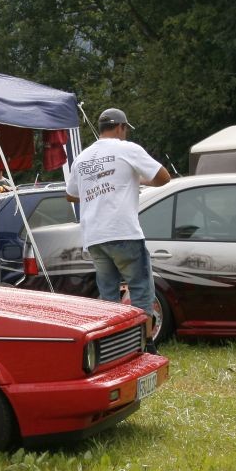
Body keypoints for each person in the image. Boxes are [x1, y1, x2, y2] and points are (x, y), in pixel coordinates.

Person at [65, 108, 171, 353]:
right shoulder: (127, 149)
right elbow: (163, 177)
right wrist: (138, 180)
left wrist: (97, 187)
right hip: (123, 232)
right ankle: (145, 345)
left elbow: (70, 194)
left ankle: (112, 348)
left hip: (95, 237)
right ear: (121, 127)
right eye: (125, 130)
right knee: (141, 290)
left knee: (109, 297)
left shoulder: (82, 158)